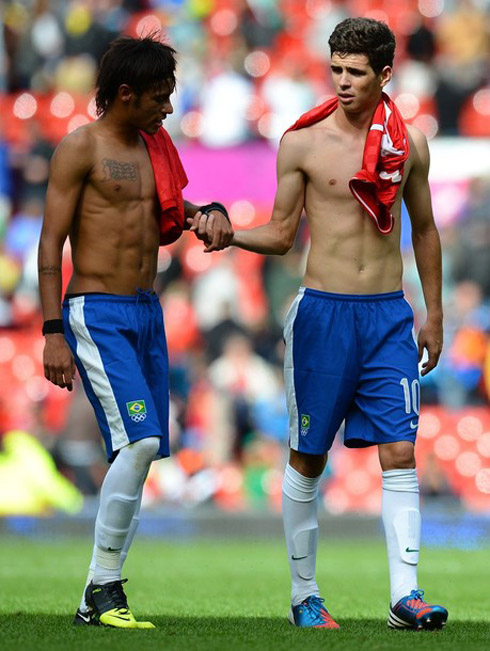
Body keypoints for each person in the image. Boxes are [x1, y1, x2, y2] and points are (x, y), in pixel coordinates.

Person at [192, 17, 448, 631]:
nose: (341, 82)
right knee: (308, 457)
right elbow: (281, 235)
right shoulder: (301, 142)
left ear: (385, 74)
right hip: (322, 315)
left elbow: (429, 230)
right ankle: (304, 595)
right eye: (334, 69)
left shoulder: (408, 144)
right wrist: (230, 236)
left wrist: (434, 312)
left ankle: (404, 597)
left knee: (401, 450)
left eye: (355, 72)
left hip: (389, 314)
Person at [38, 35, 233, 629]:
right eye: (159, 97)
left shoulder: (156, 147)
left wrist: (210, 211)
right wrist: (51, 331)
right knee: (142, 442)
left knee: (140, 452)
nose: (168, 108)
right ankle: (102, 588)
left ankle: (95, 599)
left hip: (146, 311)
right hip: (96, 311)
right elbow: (50, 245)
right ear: (125, 94)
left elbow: (171, 214)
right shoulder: (80, 148)